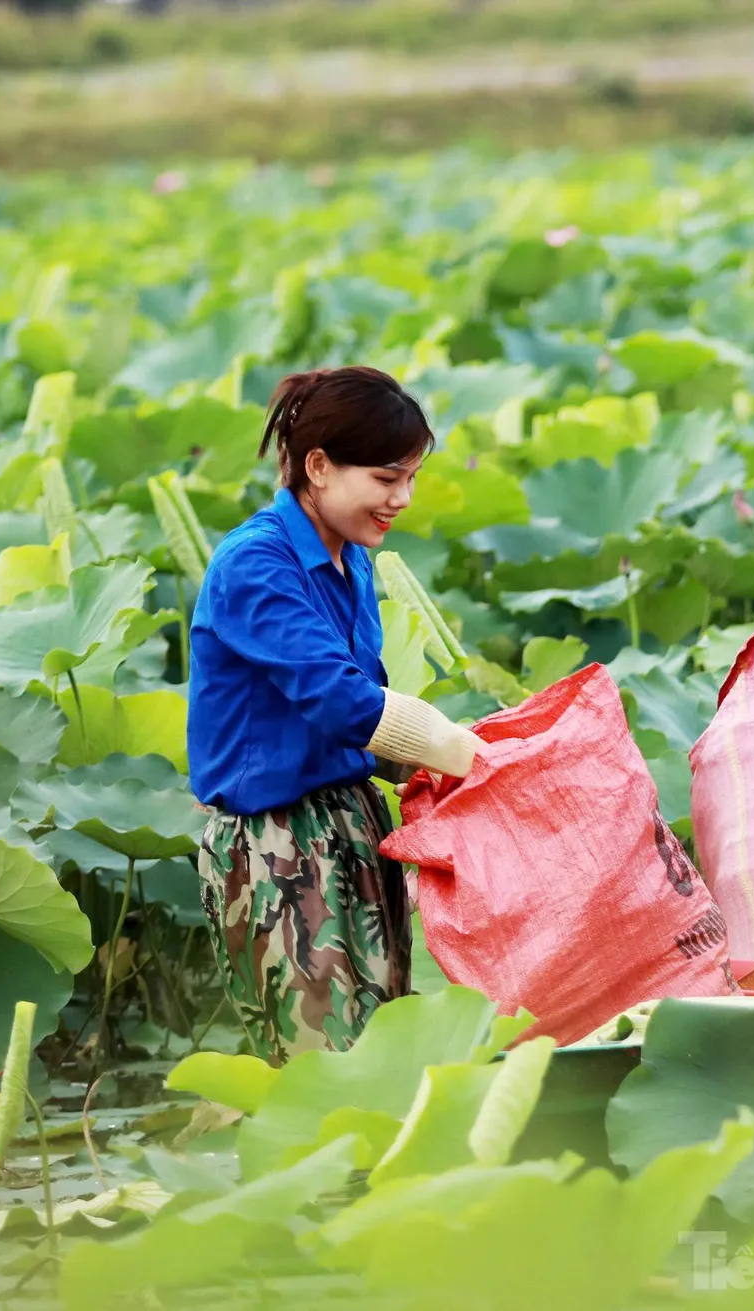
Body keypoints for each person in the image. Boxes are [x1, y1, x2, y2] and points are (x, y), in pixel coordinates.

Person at [187, 366, 485, 1060]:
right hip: (276, 843)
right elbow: (341, 700)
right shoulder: (254, 564)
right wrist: (472, 754)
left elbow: (362, 717)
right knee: (322, 1068)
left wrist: (457, 763)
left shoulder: (353, 561)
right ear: (318, 467)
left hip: (354, 824)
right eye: (386, 478)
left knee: (384, 1057)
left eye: (411, 478)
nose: (402, 498)